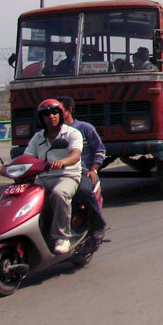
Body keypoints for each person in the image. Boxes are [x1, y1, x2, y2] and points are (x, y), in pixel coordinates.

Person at [23, 99, 83, 254]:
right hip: (43, 177)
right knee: (24, 197)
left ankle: (62, 237)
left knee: (59, 194)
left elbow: (75, 155)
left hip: (67, 176)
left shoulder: (72, 133)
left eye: (55, 112)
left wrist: (62, 162)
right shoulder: (38, 137)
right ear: (41, 118)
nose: (51, 116)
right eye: (46, 114)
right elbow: (27, 158)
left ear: (61, 114)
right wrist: (5, 168)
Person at [59, 96, 107, 240]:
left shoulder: (84, 129)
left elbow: (100, 150)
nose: (52, 115)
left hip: (83, 171)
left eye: (58, 110)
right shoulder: (52, 133)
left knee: (84, 191)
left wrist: (93, 169)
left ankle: (98, 225)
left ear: (69, 110)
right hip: (59, 173)